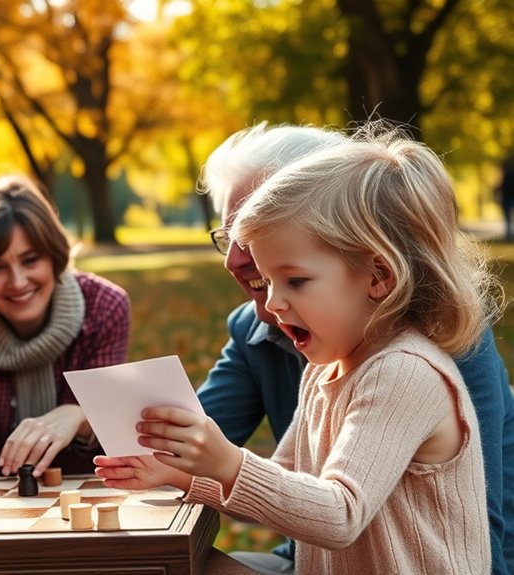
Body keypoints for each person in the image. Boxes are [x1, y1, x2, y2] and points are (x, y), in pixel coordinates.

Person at [97, 126, 501, 573]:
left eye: (295, 281)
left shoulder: (405, 371)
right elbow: (284, 489)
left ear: (378, 277)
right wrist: (183, 475)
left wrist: (227, 461)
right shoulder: (325, 369)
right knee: (168, 565)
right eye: (268, 281)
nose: (271, 302)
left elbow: (339, 514)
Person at [0, 175, 130, 478]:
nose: (17, 282)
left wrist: (77, 414)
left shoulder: (104, 307)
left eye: (30, 260)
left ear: (54, 257)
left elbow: (107, 408)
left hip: (84, 491)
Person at [497, 154, 514, 241]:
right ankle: (509, 234)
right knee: (509, 217)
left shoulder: (507, 174)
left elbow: (502, 185)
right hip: (509, 197)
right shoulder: (509, 173)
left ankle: (509, 234)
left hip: (507, 197)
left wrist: (496, 190)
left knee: (507, 217)